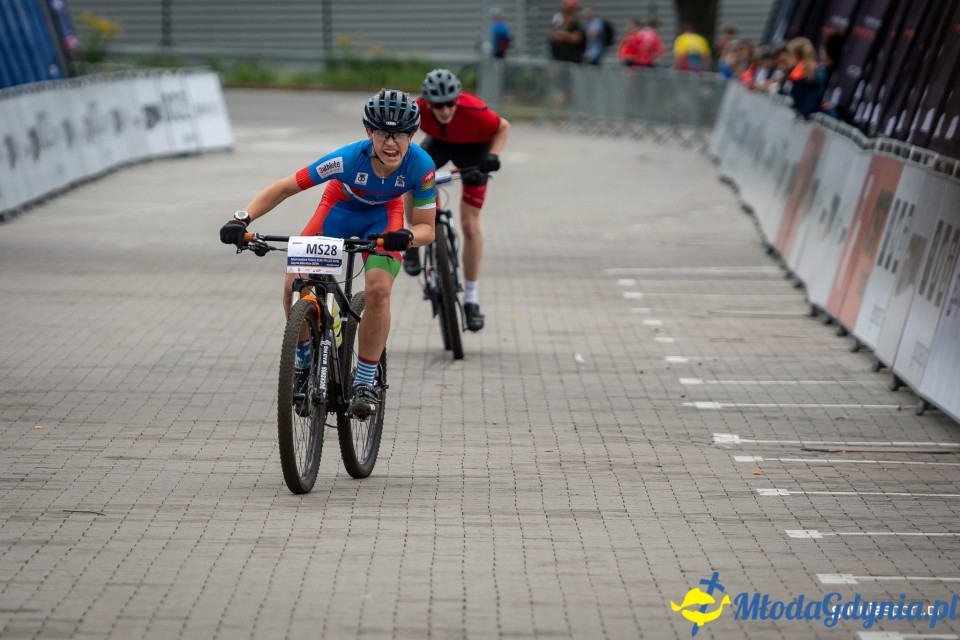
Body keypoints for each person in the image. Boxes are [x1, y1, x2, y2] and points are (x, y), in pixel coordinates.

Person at [219, 89, 437, 418]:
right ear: (369, 133)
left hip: (384, 216)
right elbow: (285, 187)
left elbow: (427, 229)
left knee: (378, 289)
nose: (392, 144)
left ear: (413, 135)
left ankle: (364, 383)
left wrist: (405, 236)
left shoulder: (422, 165)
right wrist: (241, 218)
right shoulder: (347, 160)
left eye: (401, 135)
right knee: (294, 282)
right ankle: (305, 362)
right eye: (383, 134)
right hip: (338, 208)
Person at [405, 68, 510, 332]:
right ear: (428, 102)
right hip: (439, 144)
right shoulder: (418, 110)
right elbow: (399, 132)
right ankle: (415, 237)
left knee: (470, 226)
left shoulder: (475, 110)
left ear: (457, 99)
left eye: (450, 103)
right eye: (438, 105)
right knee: (410, 178)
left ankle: (471, 301)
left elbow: (503, 127)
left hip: (475, 151)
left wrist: (494, 156)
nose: (444, 110)